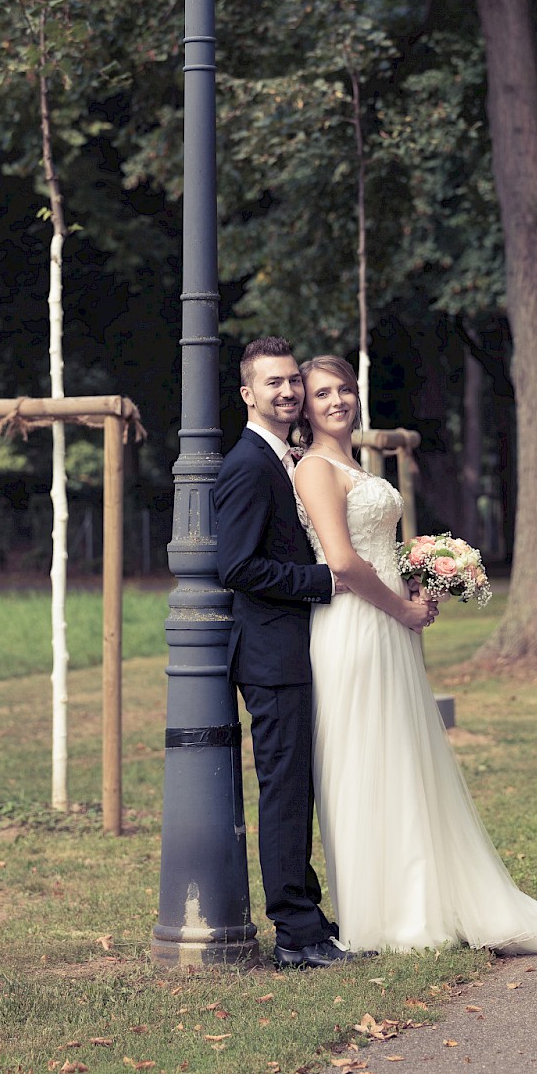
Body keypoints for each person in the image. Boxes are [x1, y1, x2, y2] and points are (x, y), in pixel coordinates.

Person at [293, 353, 537, 957]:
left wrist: (415, 580)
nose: (337, 401)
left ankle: (423, 897)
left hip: (388, 623)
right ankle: (380, 917)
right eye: (323, 393)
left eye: (345, 389)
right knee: (363, 759)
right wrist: (401, 609)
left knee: (405, 757)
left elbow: (376, 550)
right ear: (305, 405)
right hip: (352, 626)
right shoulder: (315, 469)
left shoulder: (356, 461)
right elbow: (343, 562)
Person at [213, 337, 435, 970]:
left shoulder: (289, 456)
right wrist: (323, 581)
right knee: (285, 793)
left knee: (304, 787)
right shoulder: (249, 465)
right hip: (271, 654)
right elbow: (235, 565)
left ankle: (312, 918)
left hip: (307, 645)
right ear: (248, 394)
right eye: (274, 383)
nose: (287, 391)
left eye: (292, 381)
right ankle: (295, 936)